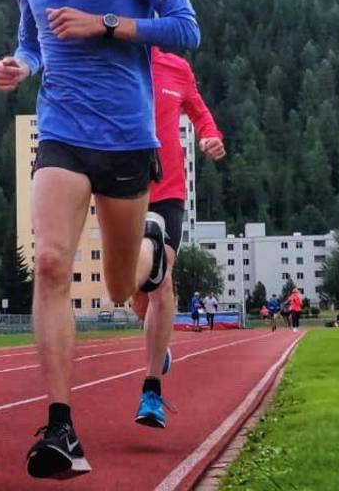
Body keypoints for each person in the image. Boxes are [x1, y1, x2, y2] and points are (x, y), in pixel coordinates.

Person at [0, 0, 200, 480]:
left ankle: (152, 247)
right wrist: (17, 66)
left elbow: (187, 30)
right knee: (50, 262)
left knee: (119, 287)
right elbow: (32, 41)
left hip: (127, 142)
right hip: (60, 133)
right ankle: (61, 429)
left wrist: (106, 25)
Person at [127, 45, 225, 427]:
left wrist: (210, 136)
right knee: (133, 293)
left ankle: (151, 391)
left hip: (168, 194)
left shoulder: (175, 68)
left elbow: (201, 114)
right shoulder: (107, 61)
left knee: (162, 281)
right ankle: (156, 340)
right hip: (122, 194)